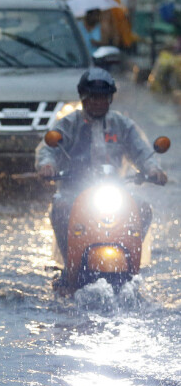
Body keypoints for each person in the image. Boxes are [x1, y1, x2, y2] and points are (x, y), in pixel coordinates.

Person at [35, 68, 167, 279]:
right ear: (83, 98)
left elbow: (141, 151)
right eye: (92, 97)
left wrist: (153, 169)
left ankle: (132, 265)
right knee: (59, 208)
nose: (97, 102)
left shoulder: (122, 124)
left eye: (102, 97)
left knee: (142, 208)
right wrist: (46, 165)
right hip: (74, 191)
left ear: (110, 99)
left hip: (115, 191)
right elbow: (48, 148)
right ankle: (71, 266)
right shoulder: (70, 123)